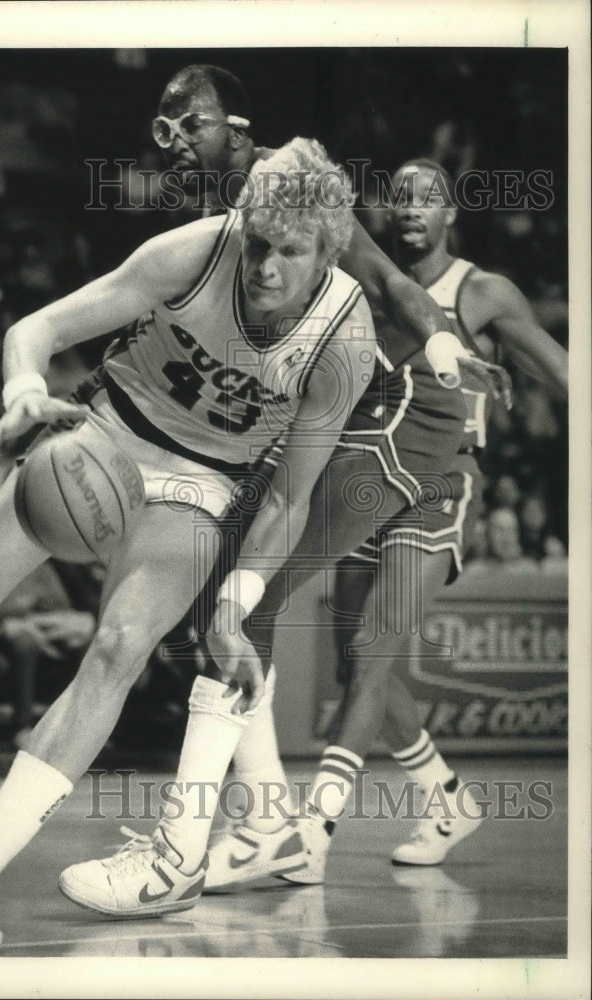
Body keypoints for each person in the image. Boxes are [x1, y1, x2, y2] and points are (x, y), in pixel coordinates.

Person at [0, 137, 376, 951]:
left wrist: (234, 605)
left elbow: (291, 496)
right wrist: (21, 396)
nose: (263, 266)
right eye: (256, 242)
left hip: (200, 484)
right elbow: (36, 328)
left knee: (118, 650)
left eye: (287, 253)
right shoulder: (194, 253)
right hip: (103, 439)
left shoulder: (343, 340)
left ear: (325, 251)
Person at [54, 69, 507, 916]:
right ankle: (280, 821)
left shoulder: (290, 182)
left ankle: (192, 847)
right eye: (163, 127)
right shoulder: (199, 214)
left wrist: (441, 347)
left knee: (244, 611)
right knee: (229, 614)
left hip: (382, 418)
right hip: (299, 417)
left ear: (235, 126)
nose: (175, 140)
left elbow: (383, 279)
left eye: (190, 123)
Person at [199, 158, 567, 890]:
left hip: (438, 482)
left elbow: (561, 371)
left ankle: (309, 832)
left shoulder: (480, 291)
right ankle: (446, 799)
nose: (409, 209)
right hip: (366, 468)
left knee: (372, 649)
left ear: (450, 214)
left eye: (426, 199)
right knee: (356, 661)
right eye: (398, 197)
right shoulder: (364, 282)